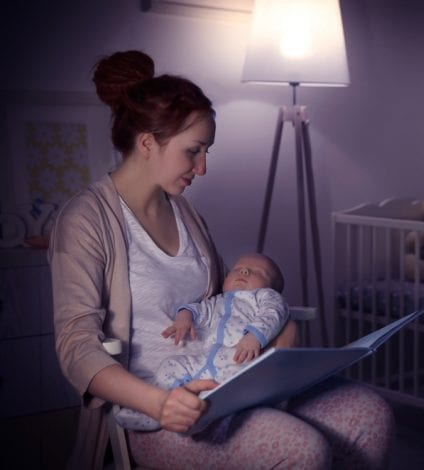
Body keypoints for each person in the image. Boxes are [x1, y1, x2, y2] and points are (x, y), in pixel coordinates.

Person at [49, 50, 394, 469]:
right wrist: (160, 403)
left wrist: (281, 333)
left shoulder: (185, 213)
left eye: (206, 151)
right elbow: (76, 346)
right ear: (146, 143)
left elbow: (226, 301)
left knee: (369, 412)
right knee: (301, 448)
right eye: (194, 151)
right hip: (166, 408)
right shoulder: (87, 219)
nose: (203, 168)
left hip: (232, 382)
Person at [114, 252, 289, 430]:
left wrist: (254, 336)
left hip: (240, 357)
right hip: (205, 358)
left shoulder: (264, 297)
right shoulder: (217, 302)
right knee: (172, 365)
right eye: (237, 269)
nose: (244, 272)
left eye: (257, 272)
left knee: (226, 392)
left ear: (270, 287)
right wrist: (184, 318)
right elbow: (197, 309)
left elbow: (274, 312)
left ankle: (203, 420)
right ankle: (153, 409)